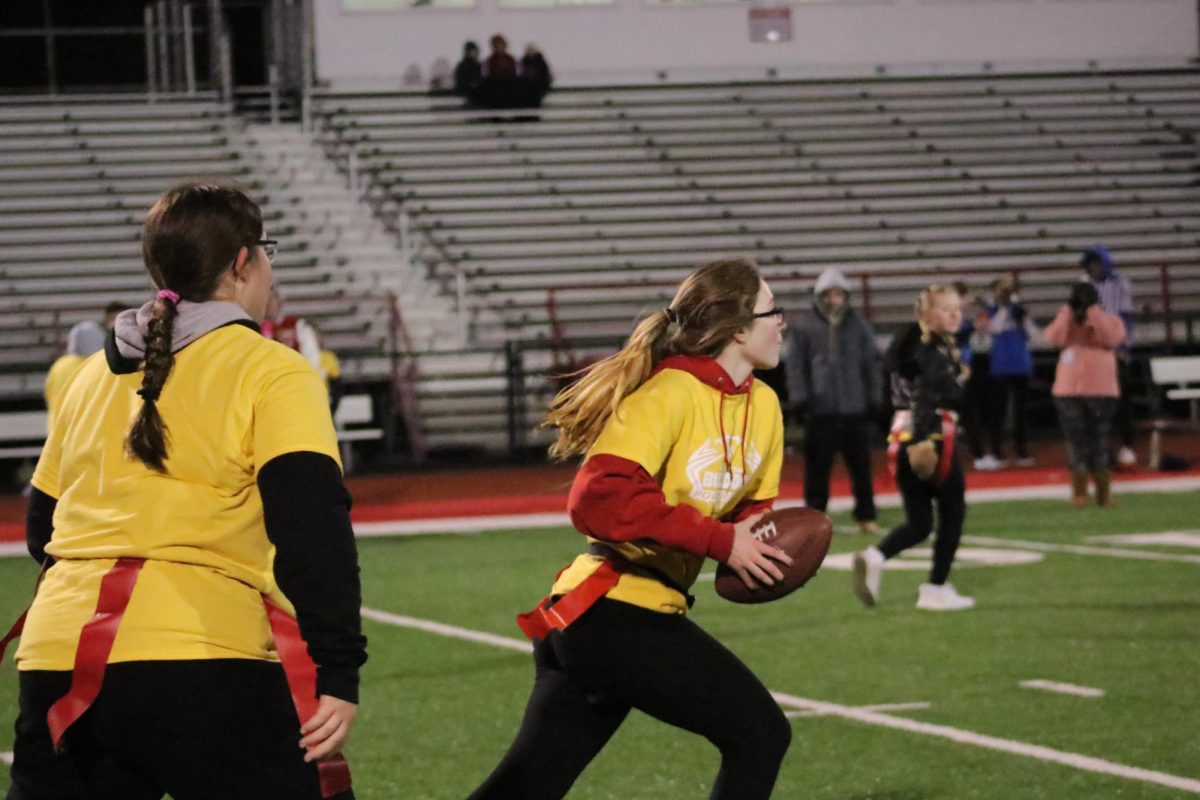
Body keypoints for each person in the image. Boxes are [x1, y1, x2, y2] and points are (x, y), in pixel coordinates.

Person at [7, 182, 366, 800]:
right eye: (266, 251)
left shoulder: (90, 375)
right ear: (240, 263)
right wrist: (339, 667)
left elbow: (44, 528)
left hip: (56, 656)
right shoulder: (271, 368)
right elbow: (312, 526)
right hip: (201, 653)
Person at [469, 258, 794, 800]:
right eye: (771, 310)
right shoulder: (667, 392)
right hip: (608, 613)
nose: (782, 322)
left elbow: (746, 518)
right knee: (761, 734)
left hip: (618, 620)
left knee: (525, 788)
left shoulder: (765, 406)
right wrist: (720, 542)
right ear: (737, 328)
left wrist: (760, 548)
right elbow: (598, 498)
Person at [852, 285, 974, 611]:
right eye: (946, 308)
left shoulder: (905, 345)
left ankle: (876, 556)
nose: (955, 314)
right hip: (930, 436)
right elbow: (924, 396)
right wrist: (922, 439)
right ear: (925, 314)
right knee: (953, 513)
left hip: (899, 431)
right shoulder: (929, 351)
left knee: (920, 522)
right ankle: (936, 587)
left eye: (957, 308)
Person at [785, 267, 880, 533]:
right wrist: (800, 397)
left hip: (854, 407)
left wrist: (874, 398)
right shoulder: (805, 326)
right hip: (820, 409)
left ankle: (866, 514)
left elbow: (871, 363)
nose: (833, 300)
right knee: (817, 469)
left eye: (838, 294)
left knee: (861, 467)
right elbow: (795, 365)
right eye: (828, 294)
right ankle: (814, 516)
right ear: (819, 296)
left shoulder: (858, 325)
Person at [1043, 281, 1126, 507]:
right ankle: (1079, 493)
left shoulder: (1110, 319)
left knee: (1099, 441)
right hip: (1068, 391)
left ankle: (1103, 493)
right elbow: (1053, 338)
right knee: (1076, 441)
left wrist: (1093, 313)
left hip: (1101, 390)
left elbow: (1112, 338)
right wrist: (1067, 313)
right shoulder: (1067, 319)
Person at [1081, 245, 1137, 469]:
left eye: (1097, 263)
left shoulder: (1120, 284)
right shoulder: (1085, 286)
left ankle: (1126, 445)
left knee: (1121, 401)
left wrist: (1124, 346)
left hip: (1115, 350)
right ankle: (1103, 449)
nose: (1094, 267)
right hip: (1094, 353)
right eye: (1091, 263)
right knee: (1097, 404)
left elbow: (1126, 317)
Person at [985, 277, 1036, 467]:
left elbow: (1033, 335)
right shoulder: (992, 311)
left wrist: (1023, 317)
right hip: (1000, 367)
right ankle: (996, 451)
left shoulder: (1020, 311)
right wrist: (1005, 308)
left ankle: (1022, 450)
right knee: (998, 411)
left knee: (1022, 411)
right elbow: (994, 328)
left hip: (1021, 365)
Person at [951, 283, 996, 471]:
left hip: (967, 370)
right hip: (951, 371)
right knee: (963, 413)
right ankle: (975, 452)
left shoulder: (967, 320)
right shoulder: (951, 319)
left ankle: (977, 451)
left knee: (971, 412)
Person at [43, 320, 106, 423]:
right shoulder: (94, 366)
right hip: (82, 431)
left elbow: (48, 395)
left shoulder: (59, 365)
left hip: (57, 429)